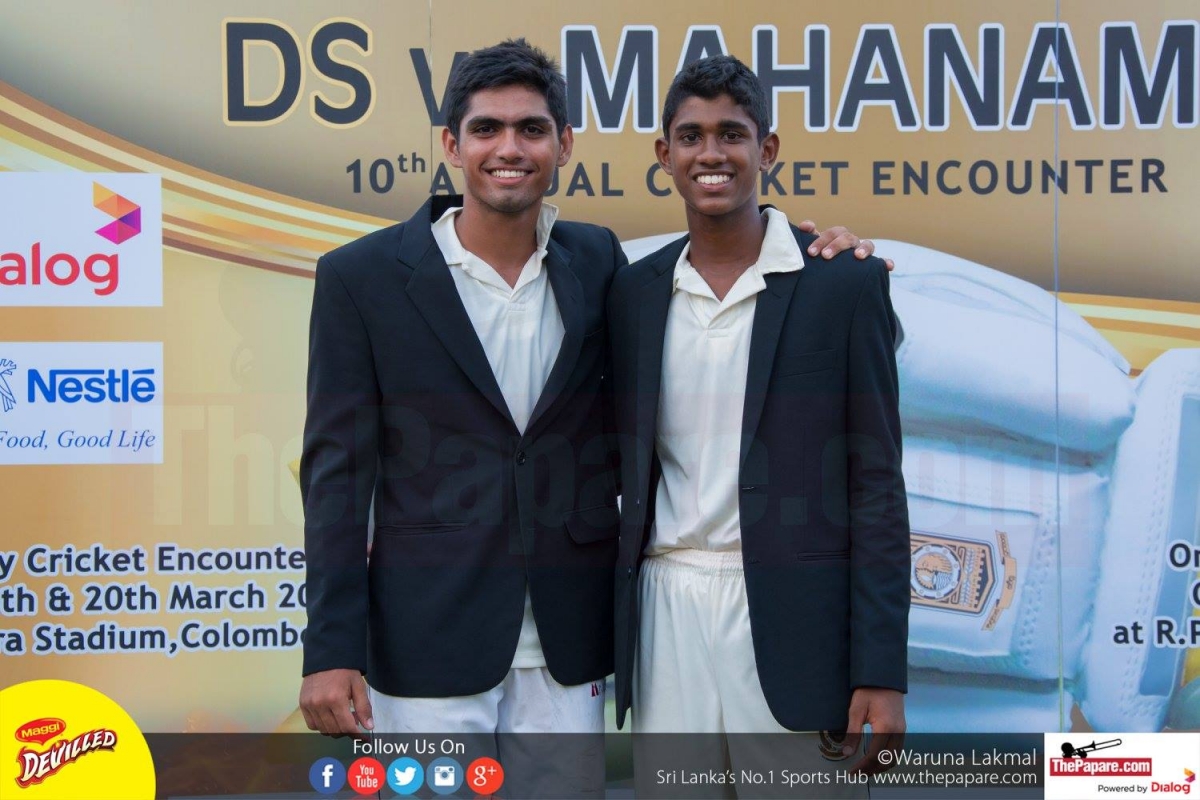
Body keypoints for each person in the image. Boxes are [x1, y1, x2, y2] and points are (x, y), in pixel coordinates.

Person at [299, 38, 882, 796]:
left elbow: (739, 280)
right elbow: (336, 479)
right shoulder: (361, 278)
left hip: (569, 650)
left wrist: (824, 247)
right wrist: (330, 649)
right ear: (451, 144)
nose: (510, 149)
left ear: (564, 143)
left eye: (532, 129)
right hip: (426, 646)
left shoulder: (600, 264)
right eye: (486, 129)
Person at [608, 55, 910, 795]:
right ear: (664, 154)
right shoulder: (633, 292)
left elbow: (876, 487)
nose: (711, 154)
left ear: (766, 149)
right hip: (665, 608)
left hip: (791, 621)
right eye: (691, 136)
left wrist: (880, 669)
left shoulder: (844, 283)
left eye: (732, 134)